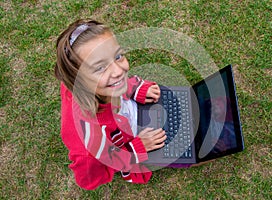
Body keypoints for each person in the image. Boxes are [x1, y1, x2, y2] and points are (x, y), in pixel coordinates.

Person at [55, 19, 211, 190]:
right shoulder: (89, 143)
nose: (119, 71)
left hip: (133, 114)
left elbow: (117, 81)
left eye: (118, 56)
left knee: (194, 105)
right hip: (132, 142)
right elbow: (88, 179)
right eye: (100, 68)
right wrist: (136, 148)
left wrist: (133, 88)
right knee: (201, 151)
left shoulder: (100, 86)